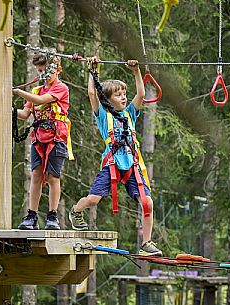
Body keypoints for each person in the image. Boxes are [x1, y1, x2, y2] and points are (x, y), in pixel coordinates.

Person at [69, 57, 162, 256]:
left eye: (124, 94)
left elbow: (141, 93)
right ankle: (76, 211)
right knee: (93, 200)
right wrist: (93, 69)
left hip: (131, 165)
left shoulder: (130, 113)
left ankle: (146, 243)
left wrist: (136, 71)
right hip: (112, 164)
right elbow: (92, 93)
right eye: (118, 95)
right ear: (108, 99)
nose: (123, 97)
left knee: (148, 203)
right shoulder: (103, 115)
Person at [13, 53, 73, 230]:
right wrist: (10, 109)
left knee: (53, 176)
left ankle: (52, 216)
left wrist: (18, 91)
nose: (43, 76)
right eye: (40, 72)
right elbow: (25, 114)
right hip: (39, 137)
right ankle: (31, 215)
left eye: (46, 72)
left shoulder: (61, 89)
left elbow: (40, 101)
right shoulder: (36, 91)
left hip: (56, 137)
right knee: (36, 174)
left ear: (57, 70)